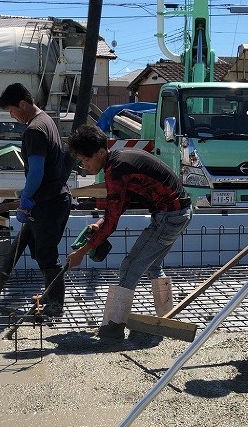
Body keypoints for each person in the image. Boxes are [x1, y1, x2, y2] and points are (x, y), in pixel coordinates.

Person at [64, 124, 192, 340]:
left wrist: (82, 252)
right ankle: (169, 318)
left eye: (86, 159)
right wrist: (101, 222)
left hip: (169, 217)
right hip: (179, 213)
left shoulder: (116, 170)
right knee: (153, 266)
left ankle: (112, 329)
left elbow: (113, 222)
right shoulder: (119, 160)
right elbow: (120, 204)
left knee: (130, 266)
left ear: (101, 152)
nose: (84, 165)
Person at [0, 82, 73, 317]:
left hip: (47, 202)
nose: (13, 117)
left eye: (12, 111)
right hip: (53, 199)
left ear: (23, 104)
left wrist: (26, 198)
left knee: (46, 254)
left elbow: (36, 170)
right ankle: (50, 301)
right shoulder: (47, 121)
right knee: (39, 251)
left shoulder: (34, 129)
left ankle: (55, 306)